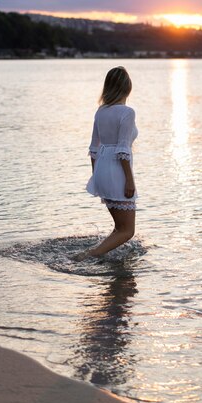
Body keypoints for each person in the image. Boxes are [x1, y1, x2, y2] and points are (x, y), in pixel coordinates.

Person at [76, 66, 138, 259]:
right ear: (127, 87)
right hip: (117, 172)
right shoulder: (127, 112)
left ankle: (103, 256)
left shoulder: (100, 111)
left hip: (102, 169)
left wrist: (96, 176)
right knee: (127, 231)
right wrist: (129, 181)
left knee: (119, 227)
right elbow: (122, 150)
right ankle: (89, 255)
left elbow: (94, 148)